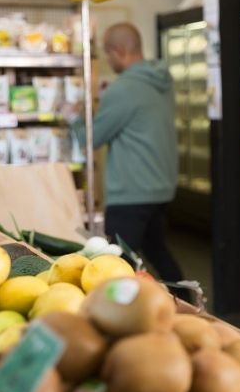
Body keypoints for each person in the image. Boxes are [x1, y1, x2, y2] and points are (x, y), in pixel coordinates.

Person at [65, 22, 183, 283]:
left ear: (118, 51)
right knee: (157, 251)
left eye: (108, 54)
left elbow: (90, 138)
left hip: (131, 192)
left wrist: (74, 116)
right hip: (160, 187)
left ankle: (122, 315)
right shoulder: (161, 80)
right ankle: (190, 303)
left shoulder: (124, 89)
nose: (108, 59)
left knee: (115, 264)